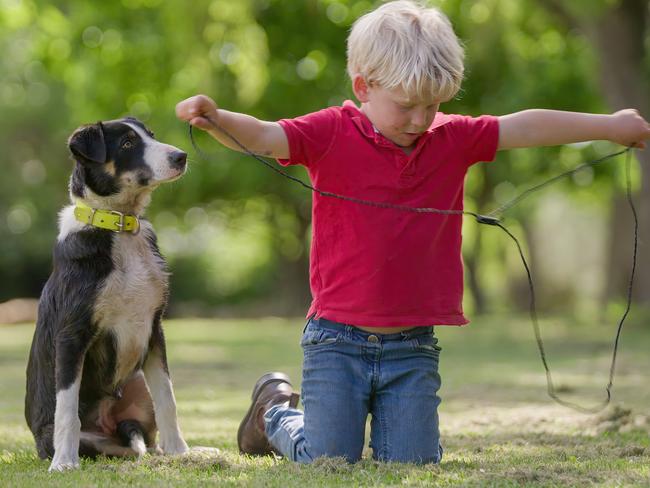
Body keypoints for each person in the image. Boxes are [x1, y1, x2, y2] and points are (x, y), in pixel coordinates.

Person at [176, 0, 650, 464]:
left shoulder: (453, 137)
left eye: (433, 104)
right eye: (406, 105)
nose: (421, 119)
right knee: (327, 456)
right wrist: (217, 120)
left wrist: (610, 126)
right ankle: (274, 413)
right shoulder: (329, 133)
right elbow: (263, 135)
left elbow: (525, 126)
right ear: (364, 85)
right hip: (336, 341)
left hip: (412, 345)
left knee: (413, 463)